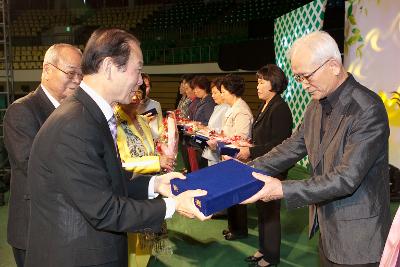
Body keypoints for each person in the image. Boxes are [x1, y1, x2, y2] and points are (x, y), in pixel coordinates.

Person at [25, 28, 208, 267]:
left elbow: (105, 179)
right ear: (110, 67)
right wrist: (172, 205)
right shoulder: (75, 124)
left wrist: (156, 184)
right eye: (138, 70)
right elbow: (104, 210)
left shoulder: (87, 112)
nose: (141, 80)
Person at [243, 31, 391, 266]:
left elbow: (346, 178)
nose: (303, 85)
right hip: (327, 227)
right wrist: (245, 171)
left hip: (359, 237)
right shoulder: (315, 106)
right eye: (298, 78)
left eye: (306, 76)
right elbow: (291, 148)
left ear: (333, 65)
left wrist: (282, 189)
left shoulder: (367, 109)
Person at [3, 43, 83, 267]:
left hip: (70, 227)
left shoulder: (76, 111)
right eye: (71, 72)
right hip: (35, 229)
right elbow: (32, 165)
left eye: (81, 74)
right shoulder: (21, 111)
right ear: (47, 70)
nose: (77, 80)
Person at [236, 65, 293, 267]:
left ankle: (271, 257)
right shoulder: (266, 104)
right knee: (262, 210)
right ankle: (263, 249)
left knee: (270, 214)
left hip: (274, 169)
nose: (257, 86)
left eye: (261, 82)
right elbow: (262, 139)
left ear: (273, 83)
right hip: (262, 166)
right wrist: (249, 145)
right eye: (257, 81)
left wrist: (251, 151)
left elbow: (279, 144)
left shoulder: (280, 108)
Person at [220, 73, 254, 241]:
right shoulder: (233, 108)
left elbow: (240, 139)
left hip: (237, 160)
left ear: (231, 91)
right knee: (230, 195)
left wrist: (222, 142)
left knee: (238, 197)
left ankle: (240, 230)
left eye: (223, 91)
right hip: (228, 159)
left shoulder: (241, 111)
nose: (222, 94)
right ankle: (232, 227)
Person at [202, 77, 230, 166]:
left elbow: (223, 131)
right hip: (212, 150)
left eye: (215, 93)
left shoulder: (226, 108)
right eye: (212, 93)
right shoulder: (218, 107)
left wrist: (209, 132)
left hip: (218, 152)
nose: (212, 96)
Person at [136, 73, 163, 140]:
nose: (144, 90)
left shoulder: (156, 104)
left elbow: (160, 125)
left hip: (153, 140)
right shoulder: (131, 105)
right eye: (142, 87)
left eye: (147, 86)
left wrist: (158, 138)